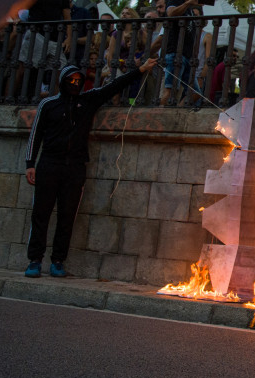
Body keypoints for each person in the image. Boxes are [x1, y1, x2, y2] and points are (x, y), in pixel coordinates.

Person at [22, 56, 159, 277]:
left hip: (75, 167)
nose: (75, 83)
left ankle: (58, 260)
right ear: (63, 80)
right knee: (41, 214)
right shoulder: (48, 105)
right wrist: (30, 164)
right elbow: (35, 135)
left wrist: (140, 69)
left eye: (79, 80)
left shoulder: (87, 101)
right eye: (71, 79)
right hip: (49, 164)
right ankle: (34, 260)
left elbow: (114, 86)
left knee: (67, 216)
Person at [160, 0, 205, 105]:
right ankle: (157, 117)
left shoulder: (190, 9)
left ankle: (177, 112)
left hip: (187, 55)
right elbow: (171, 13)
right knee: (170, 91)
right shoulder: (175, 0)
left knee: (195, 93)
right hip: (175, 53)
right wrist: (189, 3)